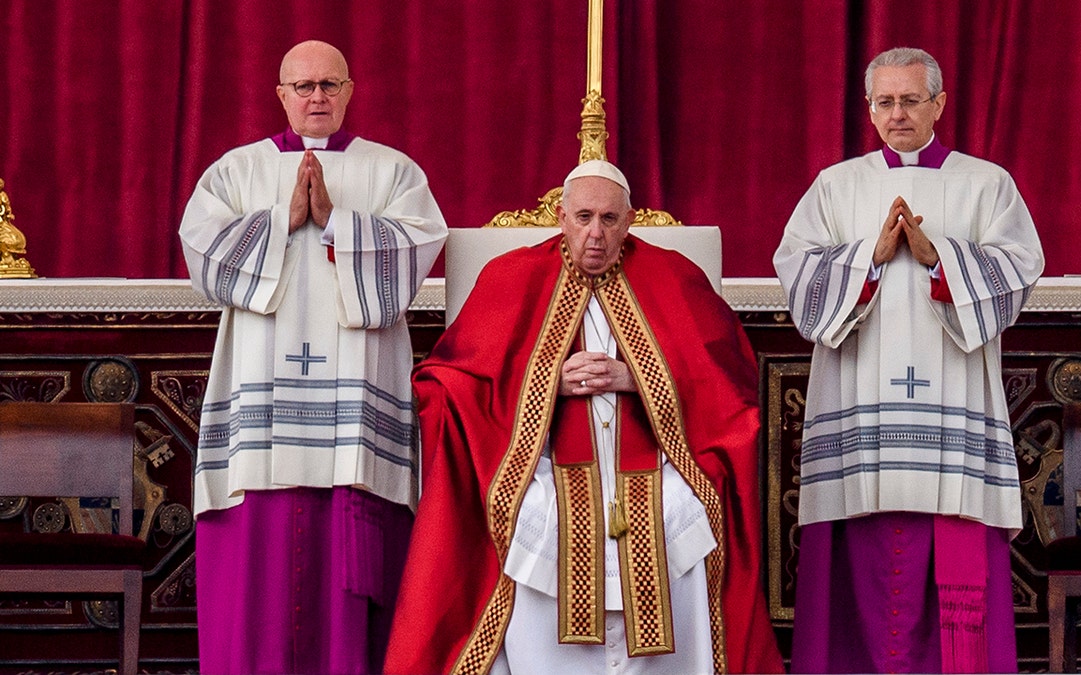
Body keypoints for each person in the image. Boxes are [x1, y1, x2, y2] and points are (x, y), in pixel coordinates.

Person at [384, 160, 782, 674]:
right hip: (543, 471)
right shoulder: (510, 278)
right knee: (534, 516)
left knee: (682, 512)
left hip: (659, 472)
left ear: (631, 220)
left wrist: (638, 379)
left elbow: (730, 384)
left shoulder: (676, 279)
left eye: (610, 220)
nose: (596, 234)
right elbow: (447, 384)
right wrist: (547, 382)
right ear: (561, 216)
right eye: (584, 217)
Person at [179, 40, 448, 674]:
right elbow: (202, 255)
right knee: (262, 570)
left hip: (354, 405)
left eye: (329, 85)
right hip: (261, 396)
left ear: (350, 91)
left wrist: (336, 222)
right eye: (303, 87)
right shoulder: (235, 171)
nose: (317, 97)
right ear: (281, 95)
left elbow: (415, 252)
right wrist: (281, 218)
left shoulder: (392, 172)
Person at [773, 47, 1044, 674]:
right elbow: (798, 277)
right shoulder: (838, 185)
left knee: (952, 531)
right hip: (858, 406)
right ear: (870, 110)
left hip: (953, 404)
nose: (898, 115)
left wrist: (937, 257)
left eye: (911, 100)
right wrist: (868, 258)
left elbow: (1018, 269)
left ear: (939, 105)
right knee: (858, 540)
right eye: (885, 102)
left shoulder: (986, 183)